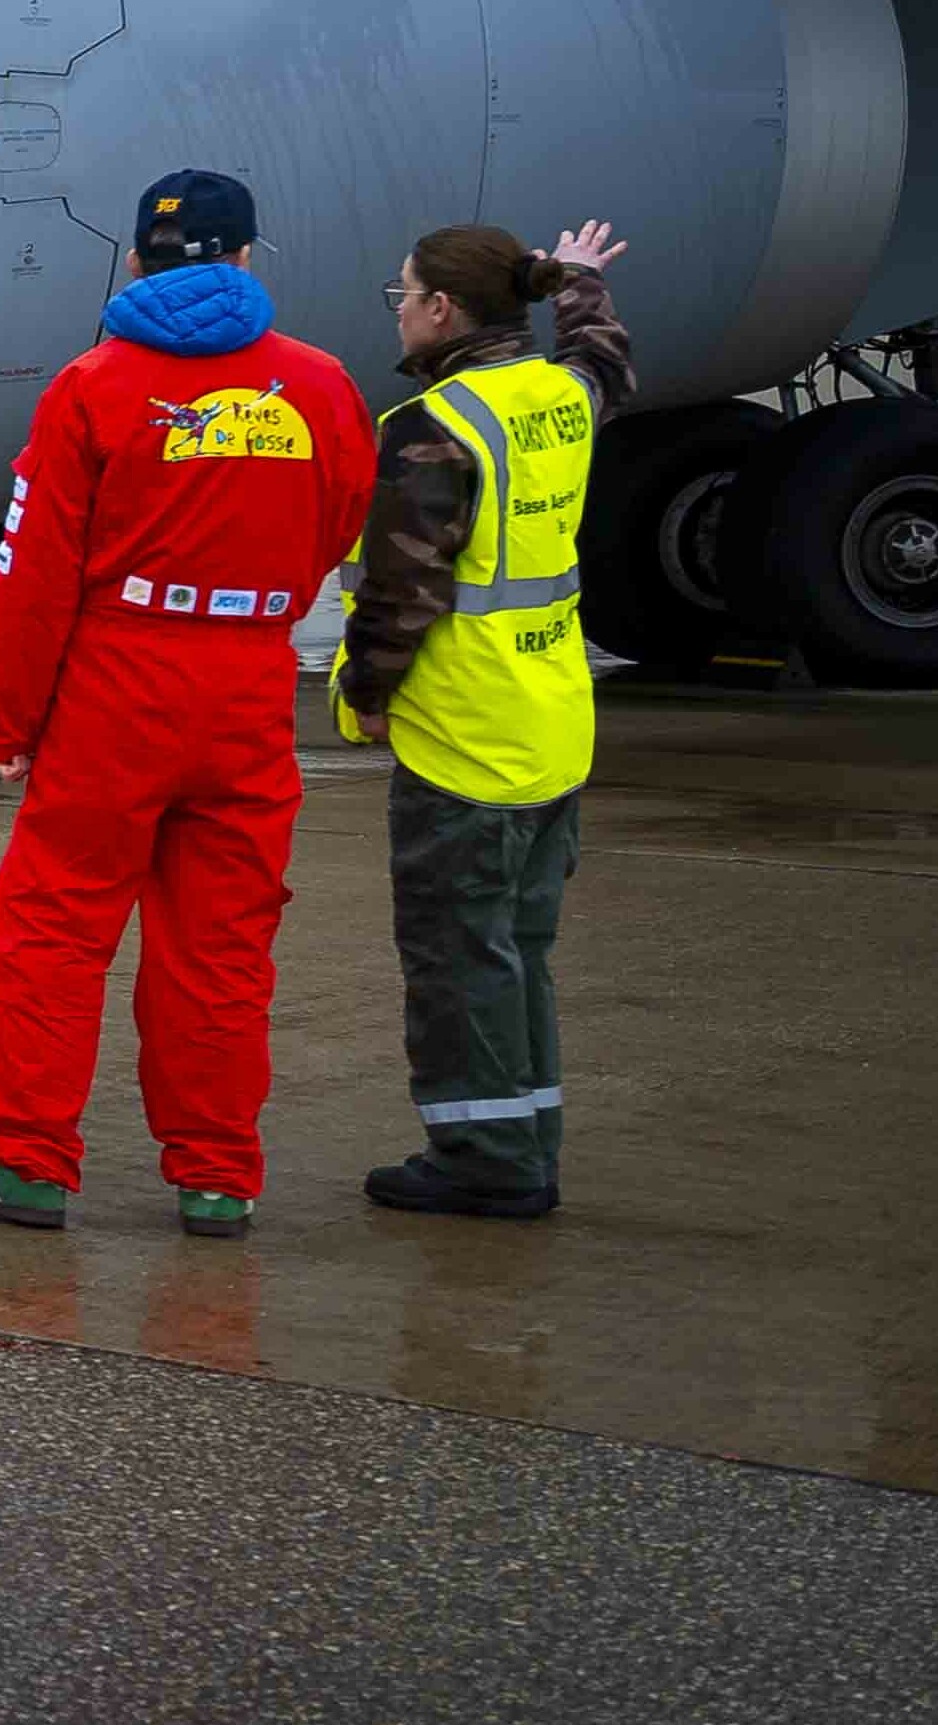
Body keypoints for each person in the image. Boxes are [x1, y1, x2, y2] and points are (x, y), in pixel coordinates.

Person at [0, 172, 376, 1237]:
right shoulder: (318, 384)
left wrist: (7, 723)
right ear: (247, 260)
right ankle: (216, 1174)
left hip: (119, 681)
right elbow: (339, 519)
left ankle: (24, 1159)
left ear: (132, 262)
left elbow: (29, 574)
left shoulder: (92, 385)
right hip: (249, 676)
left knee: (51, 921)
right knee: (222, 940)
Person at [337, 216, 634, 1222]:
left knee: (458, 957)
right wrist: (578, 284)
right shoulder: (556, 397)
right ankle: (525, 1137)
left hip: (462, 735)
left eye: (403, 292)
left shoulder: (431, 430)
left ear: (440, 309)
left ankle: (482, 1157)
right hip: (550, 723)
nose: (398, 306)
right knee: (516, 953)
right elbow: (603, 358)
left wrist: (363, 698)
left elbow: (399, 593)